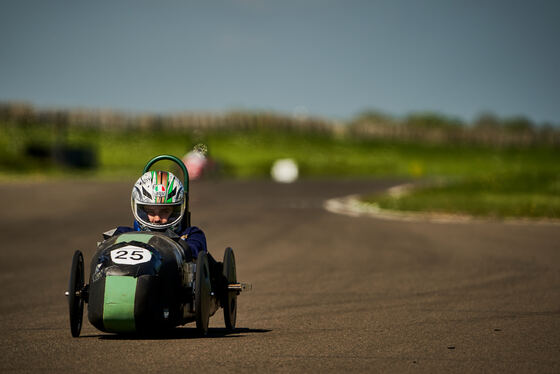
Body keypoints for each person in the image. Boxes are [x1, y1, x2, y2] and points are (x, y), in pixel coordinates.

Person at [113, 170, 208, 260]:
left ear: (175, 211)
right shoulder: (123, 234)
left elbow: (193, 251)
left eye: (165, 211)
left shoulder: (191, 235)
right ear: (141, 210)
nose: (157, 218)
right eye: (150, 212)